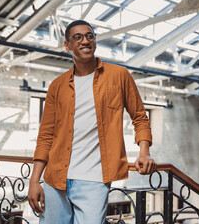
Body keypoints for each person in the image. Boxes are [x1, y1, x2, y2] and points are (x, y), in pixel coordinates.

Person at [28, 20, 156, 224]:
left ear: (94, 41)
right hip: (55, 179)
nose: (85, 41)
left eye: (89, 36)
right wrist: (35, 180)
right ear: (67, 45)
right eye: (77, 37)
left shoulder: (119, 75)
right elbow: (45, 136)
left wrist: (144, 153)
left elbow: (140, 117)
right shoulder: (57, 86)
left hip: (94, 179)